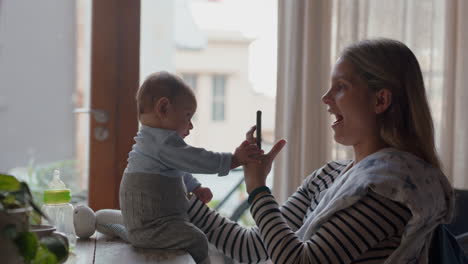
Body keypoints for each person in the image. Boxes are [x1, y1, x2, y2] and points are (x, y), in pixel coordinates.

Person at [95, 39, 454, 263]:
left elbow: (296, 261)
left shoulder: (387, 191)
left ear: (381, 99)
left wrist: (257, 190)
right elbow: (252, 248)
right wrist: (174, 188)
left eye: (340, 87)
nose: (326, 100)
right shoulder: (330, 176)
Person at [112, 71, 263, 264]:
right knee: (197, 239)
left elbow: (177, 169)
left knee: (128, 228)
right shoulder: (163, 143)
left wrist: (194, 187)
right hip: (154, 228)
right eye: (187, 116)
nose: (191, 126)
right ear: (164, 108)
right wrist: (233, 159)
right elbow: (196, 159)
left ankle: (102, 221)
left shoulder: (151, 143)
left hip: (145, 226)